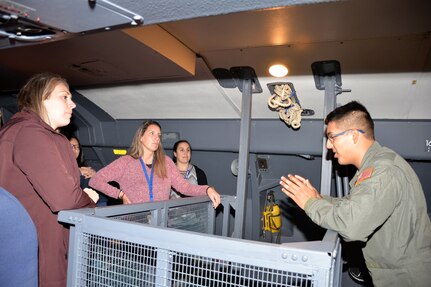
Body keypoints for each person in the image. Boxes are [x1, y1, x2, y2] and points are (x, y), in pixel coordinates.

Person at [279, 101, 431, 287]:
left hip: (406, 277)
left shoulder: (383, 171)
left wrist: (311, 203)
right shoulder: (376, 166)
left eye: (332, 137)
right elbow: (354, 204)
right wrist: (318, 199)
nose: (328, 145)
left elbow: (352, 226)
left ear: (353, 135)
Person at [0, 72, 96, 287]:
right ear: (41, 97)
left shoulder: (17, 130)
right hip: (41, 246)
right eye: (64, 97)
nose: (72, 104)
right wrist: (89, 200)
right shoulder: (32, 133)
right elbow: (64, 198)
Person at [89, 120, 221, 208]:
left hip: (160, 222)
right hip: (134, 224)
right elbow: (95, 180)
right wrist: (120, 194)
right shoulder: (126, 162)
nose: (157, 138)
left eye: (158, 135)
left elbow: (184, 187)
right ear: (141, 136)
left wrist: (207, 189)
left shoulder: (166, 162)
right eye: (152, 133)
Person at [67, 134, 108, 206]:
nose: (75, 150)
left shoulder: (85, 169)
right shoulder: (56, 168)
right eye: (71, 146)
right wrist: (78, 172)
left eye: (77, 147)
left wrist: (96, 177)